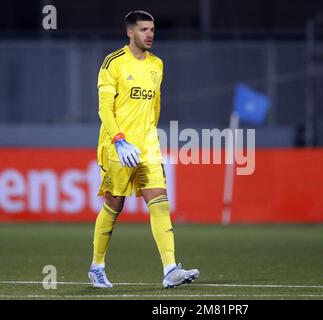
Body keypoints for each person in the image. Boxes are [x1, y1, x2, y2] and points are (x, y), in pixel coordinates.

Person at [88, 10, 199, 288]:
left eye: (152, 29)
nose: (149, 34)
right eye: (143, 29)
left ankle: (170, 268)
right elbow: (104, 108)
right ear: (130, 32)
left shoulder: (157, 65)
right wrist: (119, 139)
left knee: (160, 201)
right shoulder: (112, 63)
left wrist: (150, 136)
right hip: (117, 146)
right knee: (115, 204)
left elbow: (155, 106)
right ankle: (97, 266)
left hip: (147, 146)